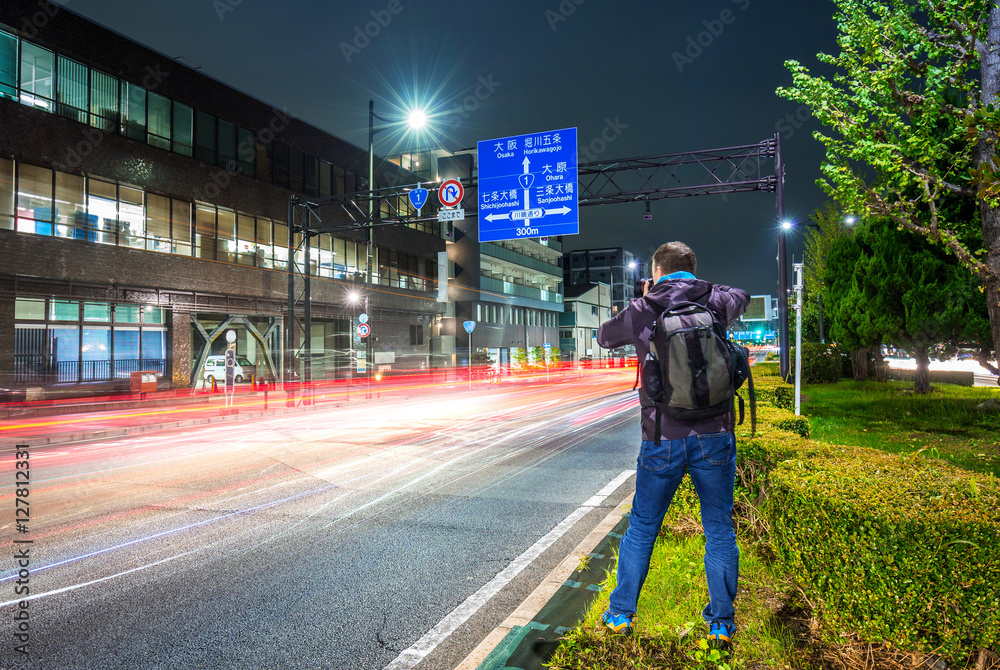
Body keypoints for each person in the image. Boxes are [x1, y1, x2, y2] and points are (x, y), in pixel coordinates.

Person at [596, 241, 750, 649]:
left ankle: (620, 615)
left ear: (656, 271)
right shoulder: (714, 299)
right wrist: (701, 288)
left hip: (662, 437)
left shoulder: (646, 307)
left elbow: (603, 337)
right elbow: (742, 295)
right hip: (715, 436)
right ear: (692, 269)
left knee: (643, 528)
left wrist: (647, 299)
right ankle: (720, 623)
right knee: (719, 529)